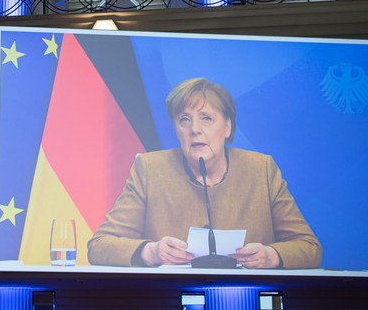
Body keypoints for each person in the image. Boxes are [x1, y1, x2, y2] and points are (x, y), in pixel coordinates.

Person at [87, 77, 322, 269]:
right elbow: (99, 246)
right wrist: (151, 252)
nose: (195, 129)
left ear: (227, 127)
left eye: (206, 118)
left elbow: (309, 248)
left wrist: (271, 256)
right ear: (176, 129)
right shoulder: (150, 169)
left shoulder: (262, 169)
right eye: (185, 120)